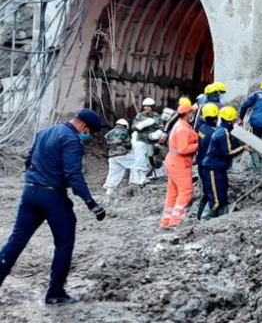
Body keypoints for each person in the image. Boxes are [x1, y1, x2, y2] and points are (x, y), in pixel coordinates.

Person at [0, 109, 106, 305]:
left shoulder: (44, 132)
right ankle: (55, 293)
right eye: (89, 132)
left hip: (30, 193)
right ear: (84, 126)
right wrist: (91, 202)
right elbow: (73, 174)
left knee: (16, 240)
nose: (88, 136)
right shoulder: (72, 140)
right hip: (52, 196)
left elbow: (28, 159)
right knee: (64, 242)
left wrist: (35, 179)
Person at [201, 106, 246, 221]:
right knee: (215, 199)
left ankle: (223, 219)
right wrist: (243, 147)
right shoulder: (223, 133)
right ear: (231, 120)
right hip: (212, 169)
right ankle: (204, 221)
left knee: (222, 196)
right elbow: (228, 153)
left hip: (217, 169)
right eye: (234, 120)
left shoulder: (223, 131)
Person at [161, 104, 198, 228]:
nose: (192, 115)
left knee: (173, 192)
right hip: (179, 163)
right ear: (187, 114)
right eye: (191, 113)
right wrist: (199, 145)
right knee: (186, 191)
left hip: (173, 161)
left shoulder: (179, 125)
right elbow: (183, 149)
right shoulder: (182, 128)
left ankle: (166, 221)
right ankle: (176, 220)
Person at [132, 98, 166, 185]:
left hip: (151, 141)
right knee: (140, 158)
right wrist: (142, 124)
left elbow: (161, 128)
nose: (146, 108)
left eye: (148, 106)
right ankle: (141, 177)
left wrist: (157, 134)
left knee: (150, 159)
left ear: (152, 107)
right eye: (145, 106)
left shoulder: (157, 116)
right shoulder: (140, 115)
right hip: (141, 140)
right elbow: (134, 127)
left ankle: (147, 176)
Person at [194, 103, 219, 220]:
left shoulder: (202, 128)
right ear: (215, 117)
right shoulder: (211, 133)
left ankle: (199, 216)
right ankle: (205, 219)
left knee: (206, 192)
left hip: (201, 164)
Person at [103, 119, 138, 195]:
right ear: (125, 126)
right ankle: (134, 182)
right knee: (136, 163)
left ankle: (109, 189)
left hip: (112, 156)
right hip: (122, 154)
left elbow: (107, 144)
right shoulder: (124, 133)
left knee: (114, 172)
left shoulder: (108, 134)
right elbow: (128, 145)